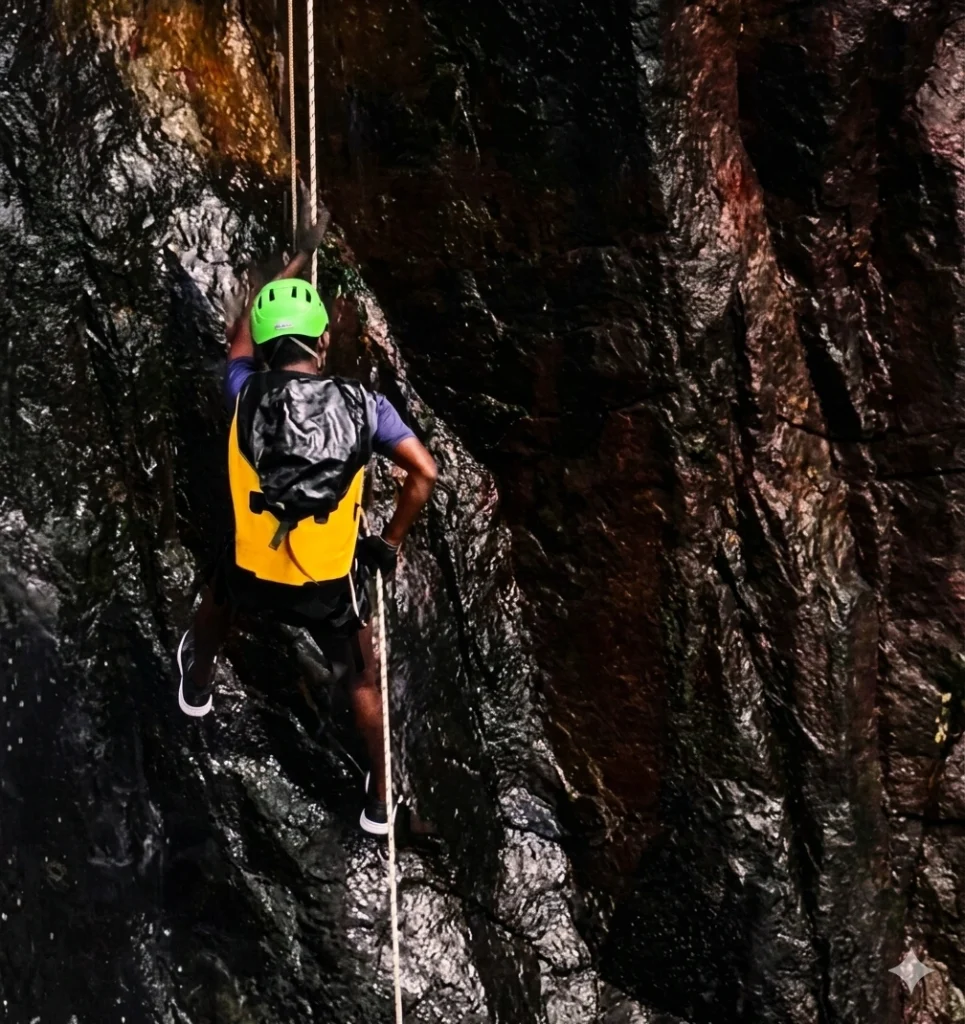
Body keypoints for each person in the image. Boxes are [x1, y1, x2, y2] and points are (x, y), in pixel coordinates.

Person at [175, 210, 438, 836]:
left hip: (252, 571)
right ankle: (380, 804)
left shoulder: (243, 391)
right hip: (324, 584)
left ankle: (197, 685)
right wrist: (387, 543)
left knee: (218, 596)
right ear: (322, 345)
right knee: (360, 679)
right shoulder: (365, 406)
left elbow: (243, 334)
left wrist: (292, 263)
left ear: (267, 350)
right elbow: (424, 473)